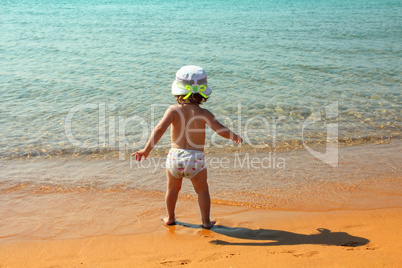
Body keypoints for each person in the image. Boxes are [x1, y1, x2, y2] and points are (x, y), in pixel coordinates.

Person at [132, 65, 242, 229]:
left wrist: (145, 150)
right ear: (202, 93)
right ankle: (205, 221)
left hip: (175, 157)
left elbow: (159, 129)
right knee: (202, 190)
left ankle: (170, 217)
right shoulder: (205, 114)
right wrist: (234, 136)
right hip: (195, 159)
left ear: (178, 91)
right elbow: (220, 130)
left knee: (172, 189)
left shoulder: (173, 110)